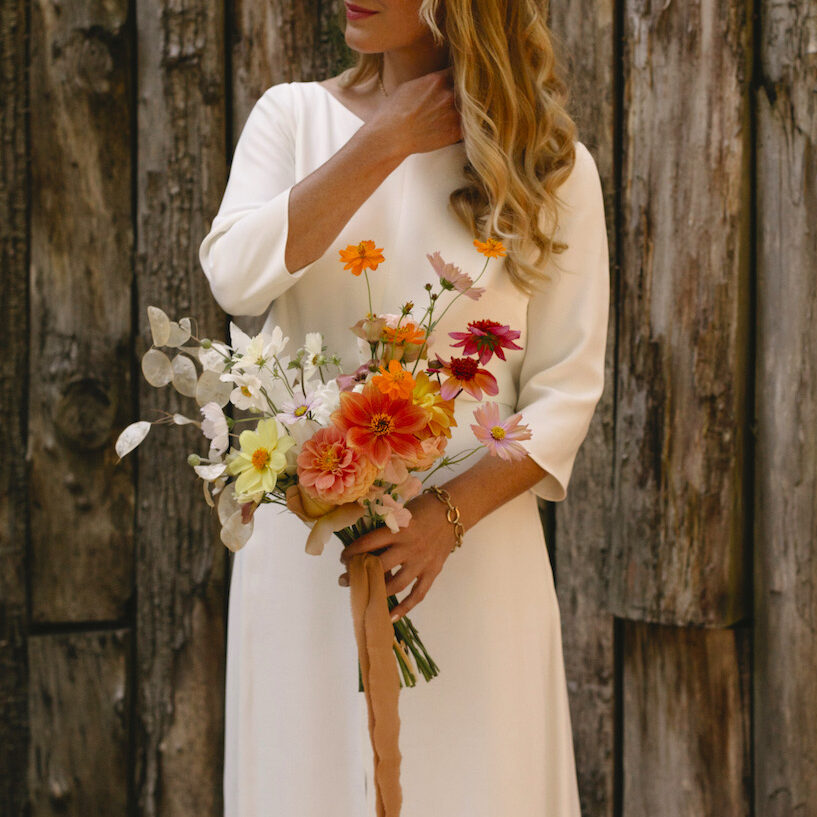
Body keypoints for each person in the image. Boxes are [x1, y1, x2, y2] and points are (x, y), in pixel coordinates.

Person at [198, 1, 609, 814]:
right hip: (307, 552)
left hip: (475, 558)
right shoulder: (294, 118)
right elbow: (235, 280)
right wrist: (381, 141)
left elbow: (567, 387)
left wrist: (442, 519)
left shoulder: (549, 169)